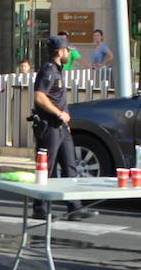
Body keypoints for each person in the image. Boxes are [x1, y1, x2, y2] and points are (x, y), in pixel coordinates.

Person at [31, 35, 99, 223]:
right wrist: (59, 114)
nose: (69, 53)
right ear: (60, 52)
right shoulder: (49, 70)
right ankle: (40, 207)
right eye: (67, 50)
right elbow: (39, 97)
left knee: (70, 165)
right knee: (48, 167)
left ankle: (74, 207)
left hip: (61, 127)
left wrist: (65, 122)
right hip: (49, 126)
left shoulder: (58, 70)